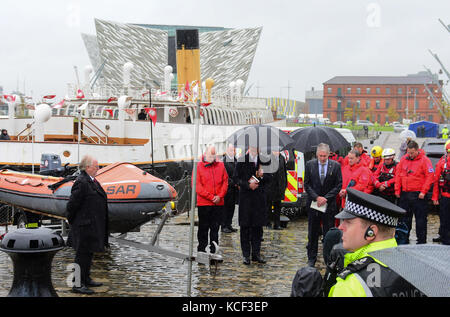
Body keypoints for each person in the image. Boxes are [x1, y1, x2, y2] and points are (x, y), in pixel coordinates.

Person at [328, 188, 425, 297]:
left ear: (371, 232)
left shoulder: (350, 286)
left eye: (348, 222)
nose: (340, 227)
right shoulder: (419, 269)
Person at [66, 155, 109, 295]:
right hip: (83, 225)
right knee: (81, 255)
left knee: (88, 254)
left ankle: (86, 278)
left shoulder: (92, 181)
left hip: (91, 225)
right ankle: (77, 284)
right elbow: (72, 205)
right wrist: (72, 221)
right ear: (88, 167)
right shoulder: (81, 182)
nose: (98, 169)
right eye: (96, 166)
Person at [304, 143, 342, 267]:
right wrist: (317, 197)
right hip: (314, 204)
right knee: (313, 233)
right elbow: (307, 184)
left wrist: (326, 198)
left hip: (329, 205)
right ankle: (311, 258)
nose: (322, 158)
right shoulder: (310, 165)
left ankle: (329, 259)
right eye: (320, 156)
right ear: (317, 155)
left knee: (328, 234)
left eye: (325, 156)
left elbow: (338, 185)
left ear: (329, 154)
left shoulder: (335, 166)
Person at [234, 145, 271, 265]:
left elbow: (270, 178)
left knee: (257, 228)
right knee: (245, 228)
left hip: (259, 200)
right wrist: (247, 185)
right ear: (249, 147)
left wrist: (263, 175)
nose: (255, 149)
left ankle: (256, 254)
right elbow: (236, 179)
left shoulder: (264, 160)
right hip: (246, 199)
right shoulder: (241, 161)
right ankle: (246, 255)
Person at [395, 140, 434, 244]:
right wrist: (397, 190)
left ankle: (421, 241)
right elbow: (398, 175)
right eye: (408, 152)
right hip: (405, 194)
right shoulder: (404, 159)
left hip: (418, 195)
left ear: (417, 151)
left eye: (412, 153)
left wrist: (423, 191)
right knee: (405, 220)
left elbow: (430, 176)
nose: (410, 155)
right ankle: (404, 239)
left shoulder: (424, 160)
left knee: (420, 220)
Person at [194, 146, 228, 255]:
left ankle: (214, 250)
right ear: (205, 154)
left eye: (213, 156)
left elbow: (225, 182)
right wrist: (211, 197)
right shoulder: (198, 166)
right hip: (204, 203)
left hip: (218, 203)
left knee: (215, 228)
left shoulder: (221, 165)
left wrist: (220, 196)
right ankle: (201, 250)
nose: (211, 158)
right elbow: (197, 186)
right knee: (203, 228)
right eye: (209, 156)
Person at [431, 140, 450, 245]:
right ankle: (445, 239)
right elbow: (436, 181)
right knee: (444, 219)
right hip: (445, 196)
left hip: (445, 196)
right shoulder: (442, 163)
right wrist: (435, 198)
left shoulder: (443, 162)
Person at [263, 151, 288, 230]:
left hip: (279, 187)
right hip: (270, 187)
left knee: (278, 207)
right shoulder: (268, 158)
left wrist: (285, 184)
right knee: (268, 206)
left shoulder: (282, 158)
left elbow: (284, 172)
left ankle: (277, 224)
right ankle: (268, 223)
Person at [220, 144, 238, 233]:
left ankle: (229, 224)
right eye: (231, 150)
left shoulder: (235, 160)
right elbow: (224, 176)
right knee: (225, 208)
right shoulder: (224, 162)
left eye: (234, 150)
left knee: (232, 207)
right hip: (227, 189)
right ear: (227, 151)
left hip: (234, 189)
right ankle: (223, 226)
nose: (233, 152)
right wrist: (234, 183)